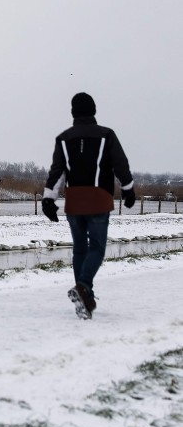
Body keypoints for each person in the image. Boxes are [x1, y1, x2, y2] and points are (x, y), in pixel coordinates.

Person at [42, 92, 135, 319]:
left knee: (80, 250)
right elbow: (120, 164)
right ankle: (83, 286)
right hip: (98, 199)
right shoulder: (107, 135)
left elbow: (57, 173)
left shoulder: (63, 139)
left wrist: (48, 199)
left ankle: (86, 299)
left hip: (74, 201)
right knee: (97, 248)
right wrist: (128, 188)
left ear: (73, 112)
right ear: (94, 110)